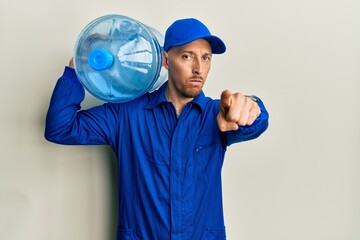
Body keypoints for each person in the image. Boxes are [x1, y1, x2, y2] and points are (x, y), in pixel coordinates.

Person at [45, 18, 269, 240]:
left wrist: (252, 107)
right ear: (166, 60)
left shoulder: (217, 115)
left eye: (206, 58)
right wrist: (78, 67)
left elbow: (254, 122)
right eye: (187, 56)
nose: (198, 69)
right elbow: (60, 127)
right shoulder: (126, 114)